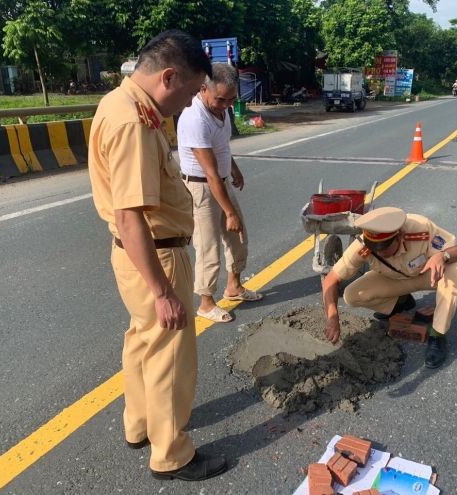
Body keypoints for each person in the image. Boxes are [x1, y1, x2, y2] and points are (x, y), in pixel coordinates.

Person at [88, 30, 228, 481]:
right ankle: (171, 454)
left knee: (143, 341)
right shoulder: (133, 122)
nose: (189, 104)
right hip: (156, 255)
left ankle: (140, 425)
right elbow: (130, 216)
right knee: (170, 354)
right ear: (168, 77)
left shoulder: (119, 102)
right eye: (188, 92)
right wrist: (163, 290)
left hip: (136, 255)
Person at [321, 207, 457, 369]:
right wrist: (332, 316)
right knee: (351, 295)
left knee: (454, 271)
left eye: (386, 250)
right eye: (377, 252)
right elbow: (330, 279)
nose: (381, 254)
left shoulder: (420, 227)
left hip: (429, 276)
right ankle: (402, 302)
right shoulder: (364, 245)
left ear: (399, 236)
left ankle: (437, 335)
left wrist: (443, 256)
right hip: (396, 280)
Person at [177, 63, 262, 323]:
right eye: (220, 99)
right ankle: (205, 302)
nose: (225, 105)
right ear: (204, 89)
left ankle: (234, 287)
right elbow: (209, 172)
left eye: (231, 99)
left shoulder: (223, 112)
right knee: (208, 246)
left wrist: (234, 168)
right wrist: (229, 212)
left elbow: (221, 146)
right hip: (201, 187)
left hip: (220, 181)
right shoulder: (194, 117)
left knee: (238, 236)